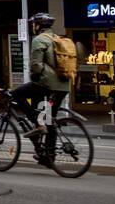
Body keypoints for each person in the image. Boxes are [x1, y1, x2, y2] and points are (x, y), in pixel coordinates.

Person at [10, 12, 70, 166]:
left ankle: (37, 123)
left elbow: (36, 66)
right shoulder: (58, 39)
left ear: (38, 26)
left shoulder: (39, 40)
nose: (32, 27)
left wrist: (34, 78)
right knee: (50, 120)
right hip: (63, 86)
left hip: (47, 84)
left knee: (16, 94)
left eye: (33, 24)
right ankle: (48, 158)